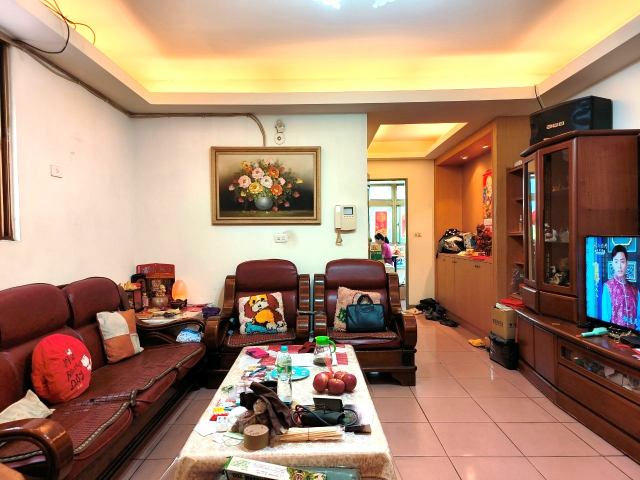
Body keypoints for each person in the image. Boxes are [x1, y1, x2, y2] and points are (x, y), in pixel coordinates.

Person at [602, 245, 640, 329]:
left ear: (627, 263)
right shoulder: (608, 287)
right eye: (616, 262)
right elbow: (606, 321)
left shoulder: (635, 291)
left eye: (622, 261)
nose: (619, 266)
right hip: (614, 335)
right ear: (612, 263)